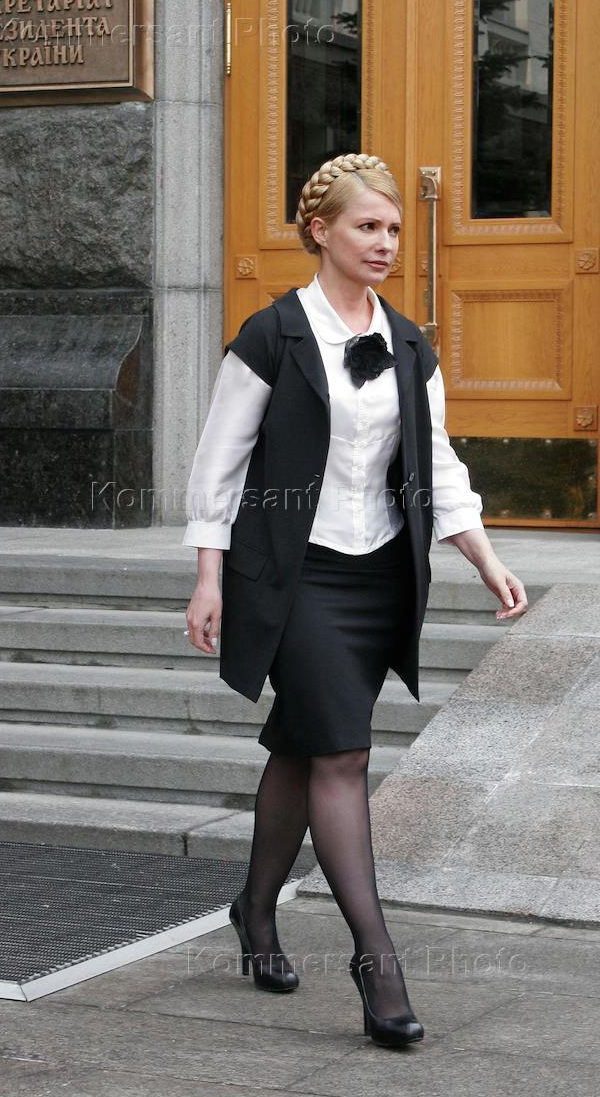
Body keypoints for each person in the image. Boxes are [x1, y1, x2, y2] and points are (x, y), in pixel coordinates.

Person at [182, 153, 528, 1049]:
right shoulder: (271, 335)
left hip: (378, 577)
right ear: (321, 230)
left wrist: (485, 558)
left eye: (394, 229)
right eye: (367, 226)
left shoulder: (410, 345)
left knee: (305, 746)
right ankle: (378, 964)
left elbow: (438, 463)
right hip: (293, 577)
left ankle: (255, 912)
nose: (385, 243)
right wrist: (209, 576)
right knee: (341, 752)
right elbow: (219, 464)